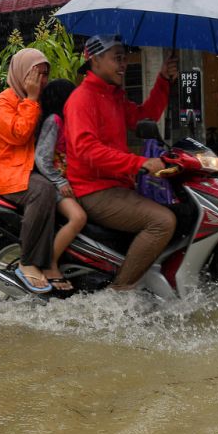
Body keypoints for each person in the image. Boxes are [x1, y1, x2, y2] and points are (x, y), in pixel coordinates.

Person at [64, 34, 179, 290]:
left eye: (124, 58)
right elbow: (86, 150)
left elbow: (144, 117)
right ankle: (120, 292)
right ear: (95, 59)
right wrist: (138, 162)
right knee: (162, 222)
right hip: (94, 190)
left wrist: (162, 79)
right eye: (117, 58)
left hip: (118, 186)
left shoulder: (112, 95)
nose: (124, 64)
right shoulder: (82, 99)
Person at [0, 47, 59, 294]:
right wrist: (31, 98)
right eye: (35, 74)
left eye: (45, 74)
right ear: (21, 74)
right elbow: (19, 135)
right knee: (44, 192)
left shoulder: (39, 99)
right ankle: (28, 261)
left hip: (33, 170)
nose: (41, 81)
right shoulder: (2, 103)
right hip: (9, 174)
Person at [34, 78, 87, 291]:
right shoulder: (54, 120)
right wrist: (59, 180)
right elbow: (42, 157)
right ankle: (50, 265)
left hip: (67, 183)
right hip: (53, 185)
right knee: (78, 217)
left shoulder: (67, 121)